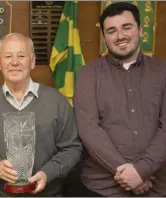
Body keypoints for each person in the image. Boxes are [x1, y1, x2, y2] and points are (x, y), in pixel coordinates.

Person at [0, 33, 83, 196]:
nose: (14, 62)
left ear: (32, 61)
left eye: (21, 56)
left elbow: (73, 148)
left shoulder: (57, 101)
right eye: (8, 56)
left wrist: (48, 173)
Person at [74, 2, 166, 197]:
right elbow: (88, 128)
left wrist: (142, 170)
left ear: (140, 30)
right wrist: (127, 174)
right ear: (104, 37)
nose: (120, 36)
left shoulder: (162, 71)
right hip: (102, 189)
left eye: (127, 27)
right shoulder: (87, 74)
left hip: (157, 187)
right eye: (111, 30)